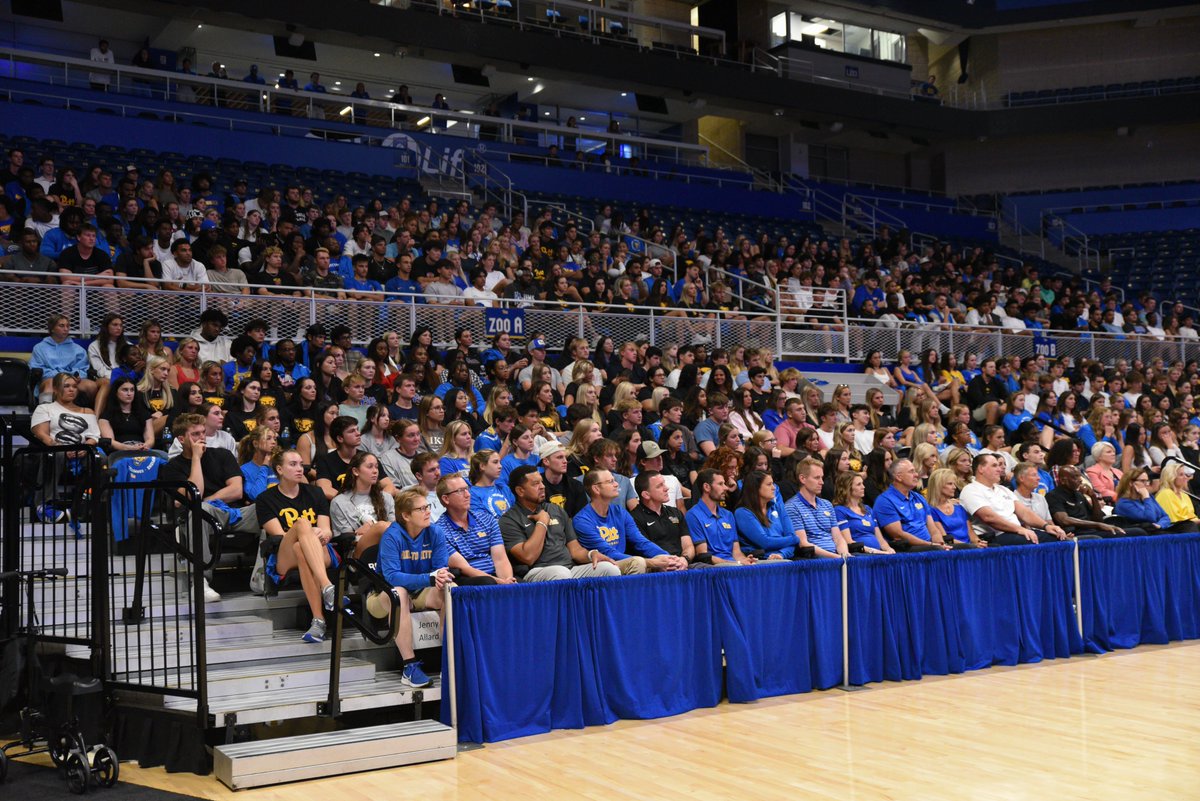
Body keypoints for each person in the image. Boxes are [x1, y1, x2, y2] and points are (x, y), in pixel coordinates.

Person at [160, 414, 262, 603]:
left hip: (232, 512)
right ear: (181, 439)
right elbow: (194, 493)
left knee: (267, 506)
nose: (202, 437)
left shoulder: (222, 454)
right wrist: (196, 459)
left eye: (203, 432)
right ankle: (200, 583)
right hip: (200, 517)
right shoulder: (171, 468)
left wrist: (208, 499)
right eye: (195, 434)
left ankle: (263, 575)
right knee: (201, 511)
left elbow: (237, 490)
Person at [367, 488, 450, 688]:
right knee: (399, 593)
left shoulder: (435, 531)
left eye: (428, 506)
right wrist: (429, 579)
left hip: (419, 591)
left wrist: (439, 578)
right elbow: (392, 577)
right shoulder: (392, 536)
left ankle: (449, 660)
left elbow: (440, 570)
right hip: (382, 595)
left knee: (449, 588)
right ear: (406, 515)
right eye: (421, 509)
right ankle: (409, 666)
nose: (428, 512)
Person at [499, 465, 621, 581]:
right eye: (536, 484)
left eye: (541, 482)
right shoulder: (509, 520)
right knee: (561, 573)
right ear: (520, 491)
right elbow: (528, 557)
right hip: (536, 572)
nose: (542, 486)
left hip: (570, 569)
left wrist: (591, 554)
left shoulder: (555, 509)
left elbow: (575, 550)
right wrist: (542, 523)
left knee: (610, 569)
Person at [572, 469, 685, 572]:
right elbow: (608, 552)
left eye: (615, 480)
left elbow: (640, 541)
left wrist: (669, 557)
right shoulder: (582, 520)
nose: (616, 484)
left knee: (668, 564)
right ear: (596, 488)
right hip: (604, 565)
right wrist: (651, 562)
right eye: (610, 481)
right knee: (639, 563)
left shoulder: (620, 512)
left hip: (624, 562)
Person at [959, 453, 1066, 545]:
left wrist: (1046, 526)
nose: (999, 469)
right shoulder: (970, 490)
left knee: (1060, 538)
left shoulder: (1003, 489)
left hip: (1015, 532)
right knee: (1034, 541)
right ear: (981, 469)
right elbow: (988, 517)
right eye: (994, 465)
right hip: (994, 536)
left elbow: (1024, 513)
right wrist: (1020, 529)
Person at [434, 473, 516, 585]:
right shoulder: (438, 531)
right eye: (460, 491)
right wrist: (500, 582)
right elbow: (464, 568)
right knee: (487, 582)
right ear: (446, 499)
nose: (467, 495)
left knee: (524, 586)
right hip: (467, 579)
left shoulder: (487, 519)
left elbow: (500, 559)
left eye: (467, 489)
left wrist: (508, 581)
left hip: (496, 576)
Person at [871, 458, 947, 551]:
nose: (916, 475)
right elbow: (898, 535)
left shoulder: (919, 498)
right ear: (899, 477)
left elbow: (933, 528)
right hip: (907, 550)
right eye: (911, 472)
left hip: (929, 545)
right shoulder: (885, 501)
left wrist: (939, 543)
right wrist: (931, 545)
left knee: (957, 550)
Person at [329, 452, 395, 558]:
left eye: (376, 467)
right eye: (370, 467)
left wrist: (370, 528)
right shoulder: (339, 502)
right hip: (357, 553)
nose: (375, 471)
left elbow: (395, 528)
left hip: (388, 548)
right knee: (382, 526)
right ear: (355, 471)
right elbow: (344, 541)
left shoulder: (386, 497)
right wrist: (356, 534)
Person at [684, 469, 756, 566]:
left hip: (733, 566)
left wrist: (745, 560)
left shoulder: (728, 515)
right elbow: (703, 555)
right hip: (713, 569)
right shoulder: (693, 515)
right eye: (720, 484)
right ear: (707, 487)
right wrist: (735, 563)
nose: (726, 488)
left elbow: (736, 552)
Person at [783, 458, 849, 559]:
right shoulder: (791, 507)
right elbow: (803, 543)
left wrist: (844, 555)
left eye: (822, 478)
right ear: (802, 479)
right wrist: (836, 557)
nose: (822, 482)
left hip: (835, 558)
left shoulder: (827, 504)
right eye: (817, 478)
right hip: (814, 562)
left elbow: (838, 538)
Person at [629, 471, 700, 564]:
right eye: (659, 486)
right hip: (657, 567)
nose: (666, 488)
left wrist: (684, 559)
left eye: (664, 484)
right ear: (646, 494)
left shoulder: (676, 512)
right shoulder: (634, 518)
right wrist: (670, 562)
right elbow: (644, 550)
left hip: (684, 564)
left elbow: (688, 545)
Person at [1046, 465, 1132, 539]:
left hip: (1092, 530)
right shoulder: (1053, 496)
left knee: (1137, 532)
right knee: (1113, 536)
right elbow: (1064, 520)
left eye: (1080, 476)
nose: (1080, 480)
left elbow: (1098, 519)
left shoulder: (1079, 495)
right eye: (1075, 477)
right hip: (1076, 533)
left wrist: (1093, 496)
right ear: (1063, 480)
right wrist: (1098, 525)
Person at [736, 470, 801, 559]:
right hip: (760, 561)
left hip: (783, 558)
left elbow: (790, 535)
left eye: (773, 484)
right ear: (756, 488)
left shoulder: (778, 507)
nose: (774, 488)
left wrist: (781, 554)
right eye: (769, 484)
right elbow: (765, 542)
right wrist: (795, 539)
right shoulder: (742, 513)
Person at [31, 314, 98, 399]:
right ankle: (46, 411)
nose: (66, 329)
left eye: (67, 326)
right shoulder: (39, 348)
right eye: (61, 326)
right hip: (52, 379)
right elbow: (37, 369)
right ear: (52, 329)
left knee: (91, 385)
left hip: (73, 380)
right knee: (50, 383)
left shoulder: (78, 349)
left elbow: (84, 370)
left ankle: (85, 411)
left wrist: (75, 376)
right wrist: (61, 376)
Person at [832, 471, 895, 553]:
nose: (863, 487)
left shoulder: (867, 509)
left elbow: (880, 540)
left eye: (862, 483)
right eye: (859, 484)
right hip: (860, 554)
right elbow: (849, 542)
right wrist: (877, 552)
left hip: (878, 553)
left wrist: (889, 549)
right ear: (847, 488)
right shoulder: (839, 510)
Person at [1113, 467, 1188, 533]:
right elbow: (1150, 518)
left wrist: (1160, 525)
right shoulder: (1124, 503)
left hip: (1158, 528)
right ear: (1131, 483)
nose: (1146, 484)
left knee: (1188, 525)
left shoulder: (1149, 497)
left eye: (1147, 481)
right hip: (1145, 533)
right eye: (1142, 481)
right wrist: (1146, 498)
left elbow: (1165, 516)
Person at [538, 440, 587, 516]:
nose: (565, 461)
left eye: (565, 457)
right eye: (560, 457)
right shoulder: (536, 487)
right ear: (546, 461)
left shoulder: (576, 486)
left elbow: (582, 518)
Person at [469, 449, 515, 518]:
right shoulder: (472, 494)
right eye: (495, 462)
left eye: (500, 462)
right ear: (482, 466)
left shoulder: (504, 488)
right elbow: (483, 521)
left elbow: (516, 513)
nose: (500, 466)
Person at [1154, 461, 1200, 529]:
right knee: (1190, 526)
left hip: (1188, 525)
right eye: (1181, 475)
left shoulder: (1184, 495)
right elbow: (1174, 519)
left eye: (1185, 474)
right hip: (1173, 528)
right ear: (1171, 477)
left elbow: (1192, 515)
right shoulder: (1165, 493)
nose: (1185, 477)